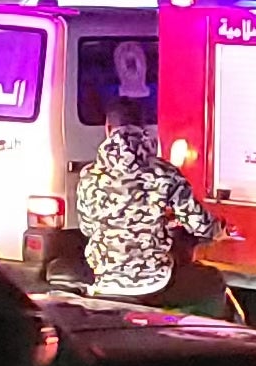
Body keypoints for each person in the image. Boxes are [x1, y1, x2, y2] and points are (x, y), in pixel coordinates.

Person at [74, 118, 221, 309]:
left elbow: (87, 228)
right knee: (213, 281)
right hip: (155, 283)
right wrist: (216, 229)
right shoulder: (164, 172)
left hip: (106, 281)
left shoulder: (89, 176)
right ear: (143, 130)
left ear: (108, 128)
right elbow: (198, 223)